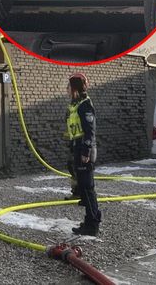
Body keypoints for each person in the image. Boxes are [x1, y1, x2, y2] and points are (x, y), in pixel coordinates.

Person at [65, 72, 101, 236]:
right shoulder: (75, 105)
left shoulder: (85, 105)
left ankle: (93, 224)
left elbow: (89, 131)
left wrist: (85, 151)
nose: (66, 90)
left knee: (88, 188)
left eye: (68, 86)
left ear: (74, 88)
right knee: (84, 188)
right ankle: (89, 220)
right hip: (78, 147)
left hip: (85, 149)